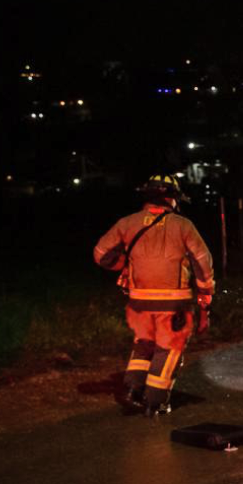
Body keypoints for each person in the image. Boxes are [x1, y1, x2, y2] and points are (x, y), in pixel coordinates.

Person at [93, 174, 214, 417]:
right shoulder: (183, 225)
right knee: (169, 348)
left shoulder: (127, 223)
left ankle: (132, 391)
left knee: (144, 343)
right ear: (172, 199)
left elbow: (100, 254)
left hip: (138, 301)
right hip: (173, 301)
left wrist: (124, 265)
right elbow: (203, 262)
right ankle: (155, 401)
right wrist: (205, 294)